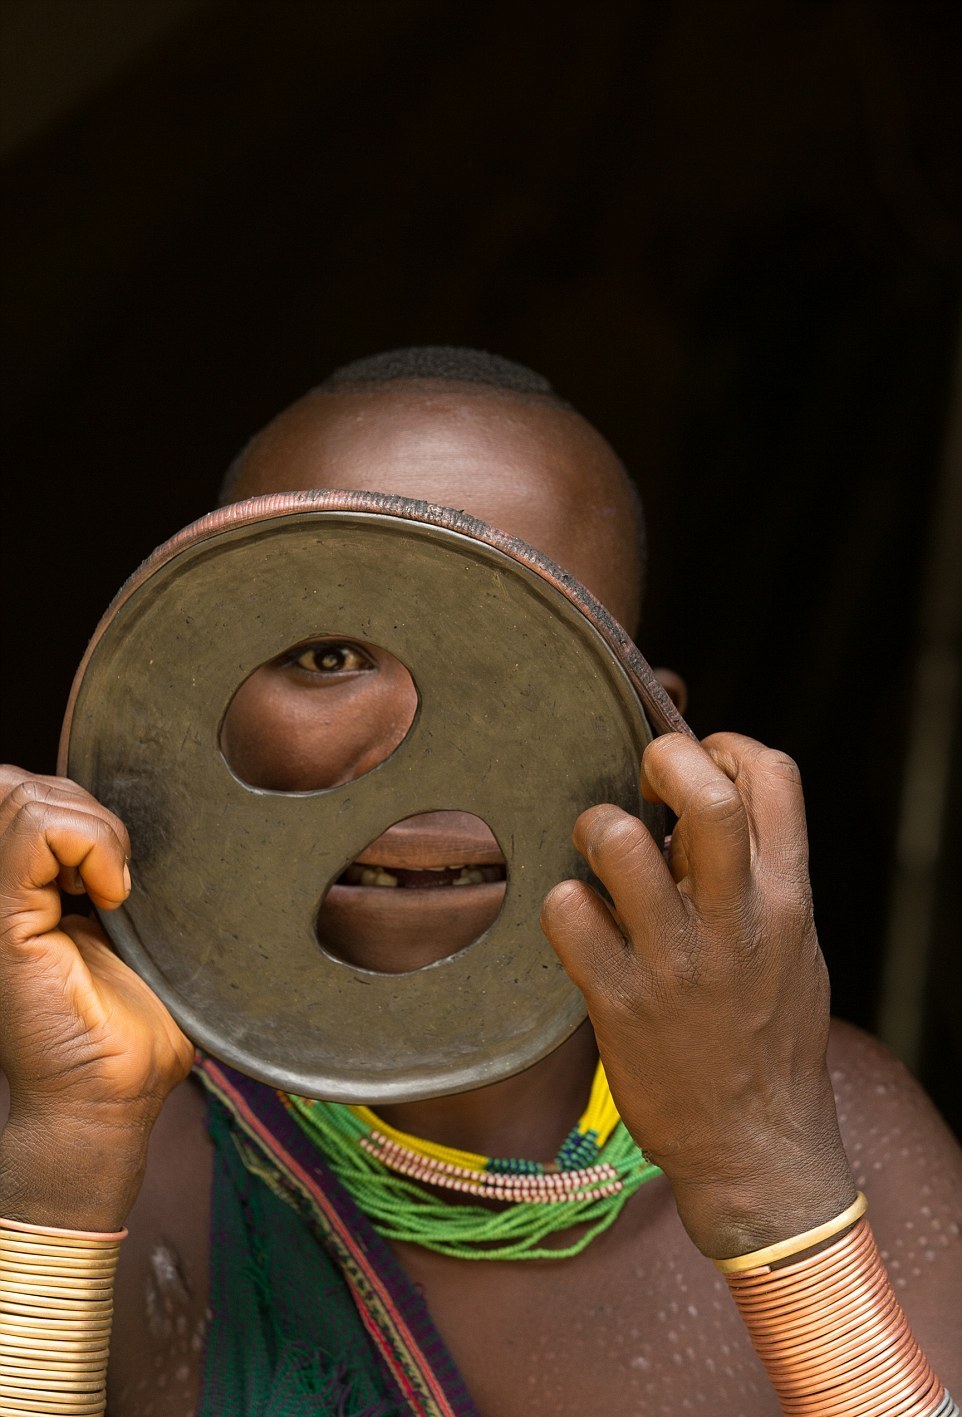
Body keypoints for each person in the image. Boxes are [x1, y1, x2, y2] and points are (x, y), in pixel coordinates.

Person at [1, 347, 960, 1417]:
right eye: (327, 655)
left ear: (651, 737)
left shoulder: (835, 1122)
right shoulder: (85, 1132)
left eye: (516, 661)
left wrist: (761, 1164)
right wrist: (68, 1152)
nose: (410, 756)